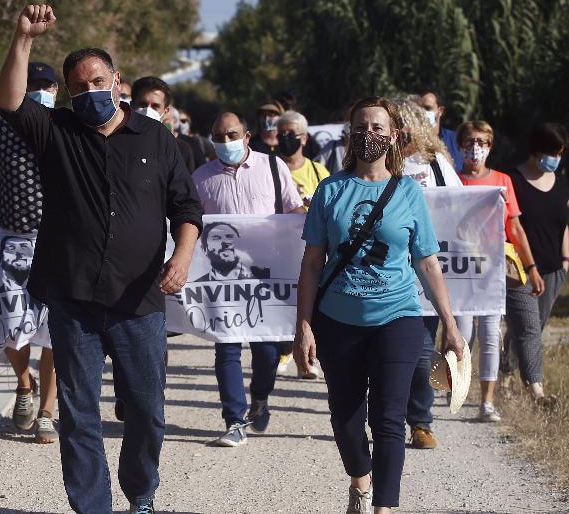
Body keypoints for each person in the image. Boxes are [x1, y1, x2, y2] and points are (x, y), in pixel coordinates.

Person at [0, 4, 202, 514]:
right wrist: (23, 39)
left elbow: (186, 205)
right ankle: (92, 506)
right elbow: (9, 102)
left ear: (117, 82)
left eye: (97, 81)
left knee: (147, 411)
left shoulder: (155, 136)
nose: (89, 92)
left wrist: (183, 256)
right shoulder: (57, 132)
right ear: (68, 93)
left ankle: (141, 493)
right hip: (74, 298)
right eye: (78, 86)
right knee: (80, 412)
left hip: (139, 299)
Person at [292, 97, 466, 514]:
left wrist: (451, 324)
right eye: (361, 127)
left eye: (376, 127)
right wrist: (303, 325)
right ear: (350, 133)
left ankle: (383, 508)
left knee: (389, 420)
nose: (368, 134)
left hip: (399, 316)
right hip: (338, 319)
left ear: (394, 136)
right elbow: (312, 263)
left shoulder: (408, 192)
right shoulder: (330, 190)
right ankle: (360, 480)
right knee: (345, 417)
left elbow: (427, 261)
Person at [192, 112, 304, 447]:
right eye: (218, 136)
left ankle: (260, 396)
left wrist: (310, 224)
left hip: (266, 276)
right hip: (222, 279)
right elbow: (190, 224)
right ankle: (234, 419)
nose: (225, 142)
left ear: (247, 135)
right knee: (226, 346)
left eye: (231, 134)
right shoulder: (200, 178)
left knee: (266, 351)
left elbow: (293, 209)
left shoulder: (273, 168)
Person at [0, 61, 60, 444]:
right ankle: (25, 385)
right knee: (11, 326)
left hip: (61, 241)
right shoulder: (2, 130)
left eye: (47, 85)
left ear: (56, 91)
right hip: (13, 239)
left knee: (57, 331)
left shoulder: (67, 128)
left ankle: (46, 413)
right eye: (33, 83)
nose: (40, 90)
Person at [454, 121, 547, 421]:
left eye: (481, 141)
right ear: (460, 145)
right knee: (464, 334)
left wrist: (530, 266)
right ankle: (456, 384)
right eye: (469, 141)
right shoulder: (453, 181)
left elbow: (515, 227)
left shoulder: (502, 181)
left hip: (493, 269)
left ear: (490, 145)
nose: (475, 147)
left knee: (491, 333)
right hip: (461, 269)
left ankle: (487, 402)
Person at [390, 97, 461, 450]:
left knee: (421, 352)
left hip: (422, 277)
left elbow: (461, 214)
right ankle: (387, 417)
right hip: (380, 277)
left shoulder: (438, 168)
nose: (399, 132)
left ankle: (420, 421)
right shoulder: (374, 166)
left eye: (403, 124)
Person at [503, 122, 569, 407]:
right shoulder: (513, 180)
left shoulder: (561, 182)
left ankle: (505, 372)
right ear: (537, 150)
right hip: (520, 269)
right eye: (553, 152)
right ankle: (535, 391)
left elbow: (564, 224)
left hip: (554, 268)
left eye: (560, 153)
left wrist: (566, 261)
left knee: (533, 327)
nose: (556, 158)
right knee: (528, 328)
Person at [130, 76, 199, 173]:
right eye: (142, 104)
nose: (147, 111)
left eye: (155, 106)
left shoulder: (180, 150)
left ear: (165, 112)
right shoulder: (116, 143)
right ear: (132, 106)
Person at [277, 110, 331, 208]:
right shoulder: (269, 170)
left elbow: (331, 205)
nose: (285, 138)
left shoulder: (318, 171)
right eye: (281, 134)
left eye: (291, 134)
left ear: (304, 139)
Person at [418, 90, 463, 170]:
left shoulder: (456, 140)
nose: (422, 113)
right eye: (419, 109)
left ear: (440, 111)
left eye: (428, 108)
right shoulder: (412, 144)